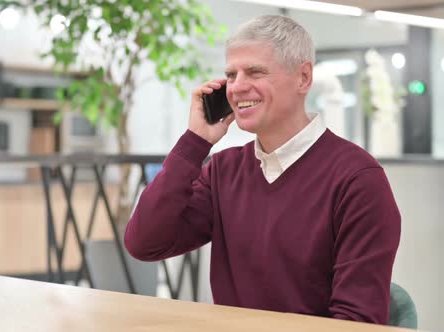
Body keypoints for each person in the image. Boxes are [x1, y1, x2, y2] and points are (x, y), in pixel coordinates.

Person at [124, 15, 400, 325]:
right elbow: (144, 243)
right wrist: (194, 143)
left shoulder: (358, 180)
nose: (237, 86)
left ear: (304, 78)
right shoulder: (223, 171)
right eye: (231, 74)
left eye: (255, 71)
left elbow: (356, 324)